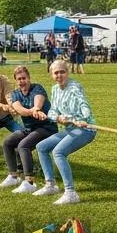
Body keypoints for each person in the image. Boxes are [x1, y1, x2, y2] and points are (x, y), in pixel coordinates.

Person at [33, 60, 97, 205]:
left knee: (58, 152)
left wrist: (84, 118)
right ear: (51, 75)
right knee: (41, 147)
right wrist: (58, 117)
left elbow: (84, 105)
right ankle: (51, 185)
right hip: (70, 129)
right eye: (56, 73)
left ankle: (70, 193)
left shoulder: (75, 87)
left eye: (62, 72)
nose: (59, 75)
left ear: (67, 73)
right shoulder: (55, 89)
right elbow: (53, 111)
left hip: (85, 129)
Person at [0, 66, 58, 193]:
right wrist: (33, 111)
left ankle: (30, 182)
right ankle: (13, 176)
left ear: (29, 78)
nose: (22, 81)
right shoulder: (15, 94)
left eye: (24, 78)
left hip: (46, 127)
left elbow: (38, 102)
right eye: (19, 79)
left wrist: (36, 108)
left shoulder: (37, 88)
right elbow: (19, 109)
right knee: (7, 142)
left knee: (23, 145)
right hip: (29, 128)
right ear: (16, 81)